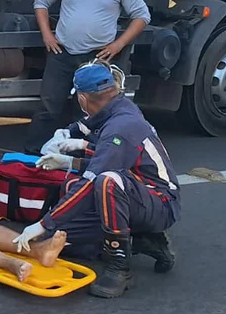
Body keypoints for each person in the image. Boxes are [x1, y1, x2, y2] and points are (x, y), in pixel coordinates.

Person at [13, 63, 180, 298]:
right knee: (68, 236)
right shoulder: (118, 109)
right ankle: (142, 240)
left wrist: (43, 224)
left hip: (159, 201)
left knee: (106, 183)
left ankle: (119, 268)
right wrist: (68, 160)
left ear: (82, 98)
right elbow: (108, 154)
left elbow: (96, 178)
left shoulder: (120, 127)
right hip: (138, 192)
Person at [25, 0, 151, 154]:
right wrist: (47, 35)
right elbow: (41, 2)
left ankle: (79, 156)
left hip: (96, 58)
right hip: (62, 52)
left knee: (88, 110)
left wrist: (118, 45)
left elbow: (142, 16)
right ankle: (32, 155)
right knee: (48, 107)